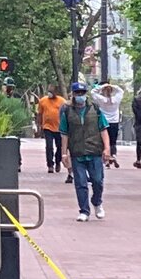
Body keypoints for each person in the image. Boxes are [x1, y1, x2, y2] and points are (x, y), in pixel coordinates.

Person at [63, 81, 110, 220]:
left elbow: (103, 129)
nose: (80, 96)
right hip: (77, 152)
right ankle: (84, 210)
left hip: (94, 150)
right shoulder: (67, 111)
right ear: (73, 94)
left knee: (97, 181)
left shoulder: (95, 109)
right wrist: (64, 153)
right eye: (77, 93)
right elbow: (64, 133)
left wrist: (107, 148)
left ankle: (97, 202)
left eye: (82, 93)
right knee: (81, 183)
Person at [37, 88, 66, 172]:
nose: (50, 94)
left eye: (51, 92)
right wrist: (39, 126)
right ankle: (50, 165)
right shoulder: (43, 101)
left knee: (60, 147)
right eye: (48, 92)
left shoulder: (62, 101)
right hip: (47, 127)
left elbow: (66, 113)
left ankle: (58, 162)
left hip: (60, 128)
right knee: (49, 146)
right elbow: (40, 113)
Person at [96, 80, 125, 162]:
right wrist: (111, 85)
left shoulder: (101, 99)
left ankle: (105, 157)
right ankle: (113, 154)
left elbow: (93, 92)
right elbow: (121, 91)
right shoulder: (116, 99)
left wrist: (102, 86)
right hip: (114, 121)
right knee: (113, 140)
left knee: (103, 139)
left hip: (103, 121)